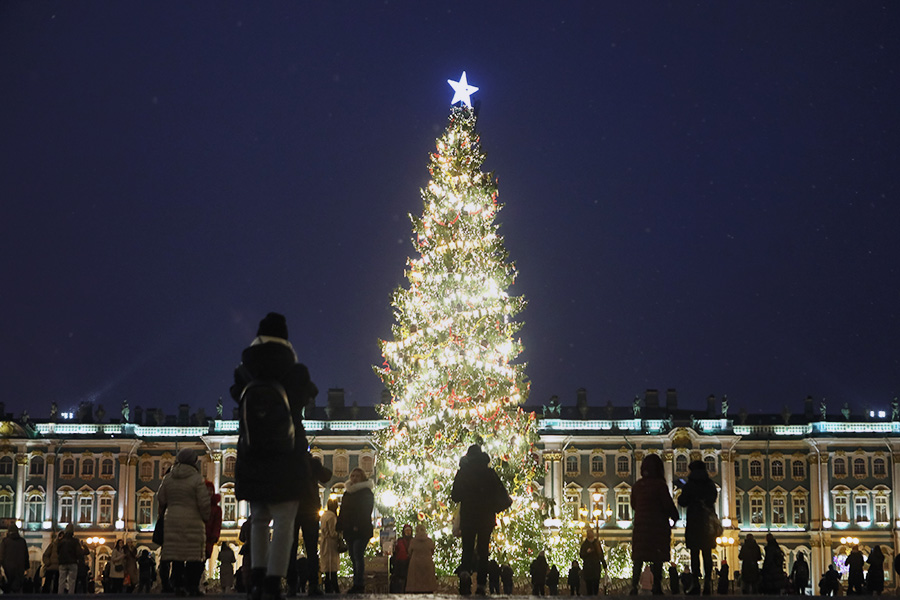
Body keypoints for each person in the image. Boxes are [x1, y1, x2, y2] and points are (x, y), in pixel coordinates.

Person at [231, 312, 318, 600]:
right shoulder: (295, 371)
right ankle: (273, 581)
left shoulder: (245, 370)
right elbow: (308, 395)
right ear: (285, 338)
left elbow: (236, 394)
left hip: (253, 452)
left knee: (258, 519)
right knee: (284, 521)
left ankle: (255, 578)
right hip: (287, 454)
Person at [451, 444, 512, 596]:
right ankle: (481, 584)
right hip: (486, 518)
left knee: (467, 548)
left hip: (469, 516)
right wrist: (493, 508)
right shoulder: (489, 473)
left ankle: (465, 574)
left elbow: (455, 496)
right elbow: (504, 496)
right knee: (484, 551)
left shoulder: (463, 473)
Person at [158, 447, 212, 596]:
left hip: (172, 520)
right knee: (194, 557)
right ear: (194, 462)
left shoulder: (168, 478)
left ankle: (178, 586)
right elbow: (204, 502)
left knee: (177, 556)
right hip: (193, 521)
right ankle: (192, 586)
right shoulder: (197, 479)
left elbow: (161, 498)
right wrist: (205, 517)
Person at [630, 453, 679, 595]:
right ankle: (657, 585)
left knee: (638, 556)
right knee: (657, 557)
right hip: (657, 526)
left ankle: (634, 586)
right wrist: (674, 516)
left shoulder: (638, 486)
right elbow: (668, 505)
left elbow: (634, 504)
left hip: (641, 526)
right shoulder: (660, 485)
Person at [288, 453, 331, 596]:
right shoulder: (312, 463)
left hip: (292, 509)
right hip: (309, 509)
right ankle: (313, 585)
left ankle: (291, 586)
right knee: (312, 549)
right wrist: (316, 463)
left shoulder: (288, 461)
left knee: (291, 550)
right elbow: (327, 477)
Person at [677, 460, 718, 595]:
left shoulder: (690, 485)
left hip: (694, 522)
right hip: (707, 523)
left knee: (694, 553)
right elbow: (713, 498)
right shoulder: (709, 484)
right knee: (707, 554)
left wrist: (686, 494)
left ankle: (695, 583)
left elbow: (682, 502)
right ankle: (707, 583)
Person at [336, 467, 375, 594]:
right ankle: (357, 583)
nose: (354, 478)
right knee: (353, 556)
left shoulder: (366, 492)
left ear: (362, 478)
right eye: (352, 476)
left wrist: (357, 524)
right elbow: (343, 511)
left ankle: (359, 584)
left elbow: (365, 511)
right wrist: (339, 526)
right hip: (349, 530)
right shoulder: (347, 493)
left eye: (357, 476)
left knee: (358, 554)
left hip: (361, 529)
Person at [405, 524, 437, 593]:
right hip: (427, 565)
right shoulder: (429, 541)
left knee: (416, 588)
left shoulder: (413, 541)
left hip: (415, 565)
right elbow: (433, 551)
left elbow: (409, 551)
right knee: (428, 587)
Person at [318, 497, 341, 594]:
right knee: (332, 567)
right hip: (331, 544)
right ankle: (334, 588)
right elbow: (332, 533)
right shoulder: (332, 517)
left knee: (327, 568)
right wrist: (339, 535)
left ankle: (328, 588)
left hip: (324, 542)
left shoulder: (324, 515)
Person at [0, 523, 29, 593]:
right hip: (19, 568)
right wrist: (26, 567)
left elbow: (1, 554)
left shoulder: (5, 541)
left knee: (7, 589)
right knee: (17, 589)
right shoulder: (22, 541)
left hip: (7, 568)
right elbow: (26, 555)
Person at [579, 527, 607, 596]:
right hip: (588, 569)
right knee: (589, 588)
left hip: (595, 568)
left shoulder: (596, 543)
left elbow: (601, 555)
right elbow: (581, 555)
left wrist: (604, 565)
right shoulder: (585, 545)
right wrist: (587, 552)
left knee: (595, 586)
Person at [57, 523, 84, 593]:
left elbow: (57, 551)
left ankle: (60, 594)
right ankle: (70, 595)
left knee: (61, 579)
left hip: (62, 562)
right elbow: (78, 552)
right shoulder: (75, 541)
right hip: (73, 562)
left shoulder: (61, 541)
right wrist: (79, 559)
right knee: (72, 580)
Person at [390, 524, 414, 593]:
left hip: (410, 562)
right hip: (401, 563)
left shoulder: (413, 540)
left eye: (409, 530)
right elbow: (396, 550)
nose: (408, 532)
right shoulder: (400, 540)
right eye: (406, 530)